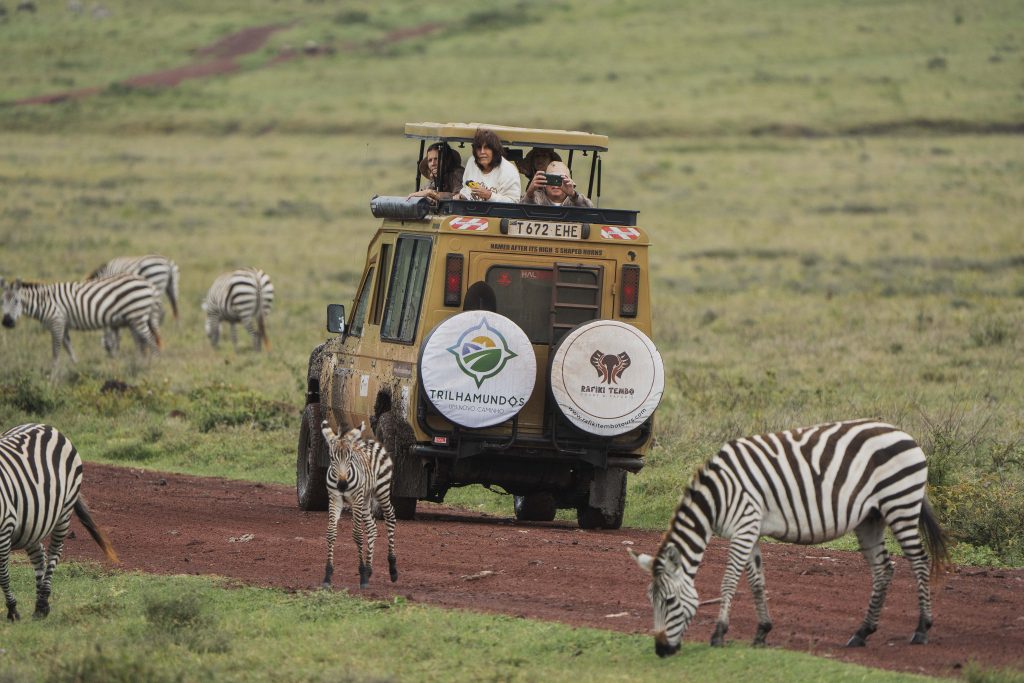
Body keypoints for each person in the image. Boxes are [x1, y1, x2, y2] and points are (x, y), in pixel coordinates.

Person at [455, 128, 522, 202]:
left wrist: (489, 195)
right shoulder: (472, 161)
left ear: (495, 150)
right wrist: (462, 196)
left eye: (487, 147)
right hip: (470, 211)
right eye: (479, 148)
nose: (482, 152)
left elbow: (513, 202)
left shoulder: (509, 170)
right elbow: (466, 188)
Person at [522, 160, 593, 207]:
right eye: (551, 179)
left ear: (569, 183)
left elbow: (589, 209)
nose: (555, 184)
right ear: (544, 184)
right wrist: (530, 193)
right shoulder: (538, 197)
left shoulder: (574, 201)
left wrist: (573, 195)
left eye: (560, 180)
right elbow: (523, 207)